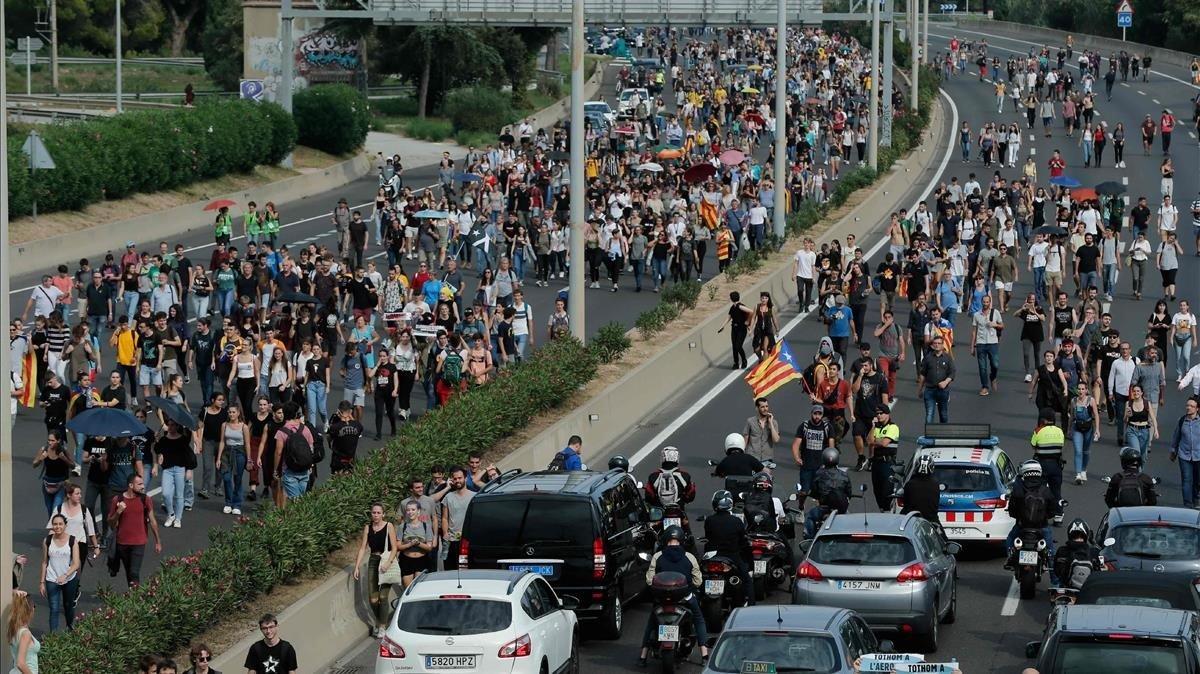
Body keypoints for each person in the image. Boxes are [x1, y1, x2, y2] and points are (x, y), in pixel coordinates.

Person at [638, 526, 709, 666]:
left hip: (661, 599)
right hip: (685, 598)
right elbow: (698, 581)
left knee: (652, 623)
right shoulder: (690, 557)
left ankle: (643, 656)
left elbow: (649, 580)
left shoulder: (658, 556)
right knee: (699, 619)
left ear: (665, 540)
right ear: (681, 540)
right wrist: (690, 589)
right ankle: (705, 655)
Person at [352, 503, 400, 638]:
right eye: (374, 512)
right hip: (373, 561)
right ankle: (379, 622)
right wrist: (357, 566)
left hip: (386, 561)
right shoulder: (368, 527)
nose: (376, 515)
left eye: (379, 513)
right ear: (371, 514)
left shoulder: (389, 526)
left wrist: (389, 563)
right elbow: (363, 548)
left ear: (383, 514)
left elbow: (395, 547)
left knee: (383, 596)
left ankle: (382, 626)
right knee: (373, 599)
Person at [107, 473, 162, 587]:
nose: (143, 486)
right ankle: (134, 597)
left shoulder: (146, 499)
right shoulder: (117, 500)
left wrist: (158, 541)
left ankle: (136, 598)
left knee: (134, 572)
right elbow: (111, 524)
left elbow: (153, 521)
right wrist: (118, 512)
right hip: (122, 543)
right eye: (140, 484)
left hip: (139, 543)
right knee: (129, 573)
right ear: (131, 485)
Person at [1006, 460, 1060, 575]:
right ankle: (1056, 582)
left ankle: (1010, 559)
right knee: (1051, 552)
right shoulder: (1045, 490)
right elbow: (1053, 510)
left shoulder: (1019, 489)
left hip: (1022, 527)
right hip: (1042, 527)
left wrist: (1019, 517)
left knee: (1010, 539)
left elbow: (1012, 509)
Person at [702, 490, 753, 607]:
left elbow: (709, 537)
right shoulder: (736, 521)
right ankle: (750, 606)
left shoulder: (709, 520)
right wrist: (750, 563)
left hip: (713, 556)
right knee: (747, 580)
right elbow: (743, 542)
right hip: (732, 557)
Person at [40, 513, 81, 632]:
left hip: (69, 579)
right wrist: (42, 582)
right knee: (54, 608)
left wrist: (65, 575)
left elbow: (76, 563)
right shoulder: (47, 541)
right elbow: (44, 562)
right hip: (52, 579)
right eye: (55, 524)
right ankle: (53, 639)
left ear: (65, 525)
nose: (57, 527)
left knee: (68, 606)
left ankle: (70, 628)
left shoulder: (73, 541)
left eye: (60, 524)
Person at [805, 448, 851, 539]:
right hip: (841, 508)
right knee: (849, 521)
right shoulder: (844, 475)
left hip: (824, 507)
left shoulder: (819, 473)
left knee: (809, 516)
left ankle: (810, 539)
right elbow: (849, 492)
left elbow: (814, 490)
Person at [791, 405, 835, 498]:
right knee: (804, 491)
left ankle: (819, 511)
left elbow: (831, 447)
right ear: (811, 413)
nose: (817, 416)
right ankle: (801, 509)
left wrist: (830, 462)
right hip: (806, 465)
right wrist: (797, 458)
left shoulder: (827, 427)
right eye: (815, 413)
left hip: (821, 467)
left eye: (820, 414)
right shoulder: (804, 426)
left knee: (820, 493)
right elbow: (796, 444)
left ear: (822, 415)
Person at [1030, 407, 1067, 516]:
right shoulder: (1059, 431)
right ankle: (1058, 514)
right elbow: (1061, 445)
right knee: (1056, 491)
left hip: (1042, 465)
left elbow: (1033, 445)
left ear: (1043, 419)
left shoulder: (1038, 430)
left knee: (1040, 490)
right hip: (1056, 465)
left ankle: (1041, 513)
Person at [438, 467, 474, 570]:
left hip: (466, 541)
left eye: (460, 478)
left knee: (463, 567)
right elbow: (445, 518)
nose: (457, 480)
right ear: (452, 480)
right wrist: (445, 534)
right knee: (450, 568)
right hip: (451, 541)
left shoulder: (474, 496)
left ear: (465, 478)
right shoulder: (448, 497)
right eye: (455, 478)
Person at [1051, 518, 1101, 590]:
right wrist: (1093, 542)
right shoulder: (1093, 551)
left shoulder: (1062, 550)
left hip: (1066, 587)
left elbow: (1057, 571)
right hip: (1088, 588)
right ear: (1086, 536)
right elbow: (1098, 572)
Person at [644, 446, 697, 511]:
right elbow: (690, 494)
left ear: (663, 458)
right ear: (677, 458)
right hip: (679, 510)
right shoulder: (685, 476)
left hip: (660, 511)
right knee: (685, 521)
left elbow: (649, 495)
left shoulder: (653, 476)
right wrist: (683, 499)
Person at [1170, 396, 1200, 507]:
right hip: (1184, 455)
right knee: (1187, 480)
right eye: (1187, 405)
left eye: (1192, 406)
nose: (1189, 408)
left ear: (1197, 409)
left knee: (1197, 481)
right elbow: (1176, 436)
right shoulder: (1182, 420)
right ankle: (1188, 504)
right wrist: (1173, 451)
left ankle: (1196, 498)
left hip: (1198, 455)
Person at [901, 454, 941, 525]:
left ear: (916, 466)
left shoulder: (909, 484)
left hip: (911, 519)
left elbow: (906, 503)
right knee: (941, 536)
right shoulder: (935, 485)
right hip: (931, 520)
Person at [717, 291, 752, 369]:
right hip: (734, 328)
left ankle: (744, 360)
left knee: (738, 346)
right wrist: (722, 326)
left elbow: (751, 312)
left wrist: (747, 322)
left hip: (741, 329)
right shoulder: (733, 307)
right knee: (734, 347)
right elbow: (729, 317)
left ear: (732, 298)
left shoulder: (740, 306)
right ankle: (736, 363)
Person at [6, 593, 39, 674]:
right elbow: (20, 663)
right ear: (30, 609)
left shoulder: (13, 628)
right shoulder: (25, 634)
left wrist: (19, 597)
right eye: (34, 606)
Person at [743, 397, 781, 462]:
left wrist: (771, 423)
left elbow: (776, 440)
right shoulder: (750, 421)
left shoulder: (774, 422)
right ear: (757, 408)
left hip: (767, 458)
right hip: (752, 457)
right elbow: (745, 439)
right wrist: (742, 454)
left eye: (766, 406)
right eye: (762, 407)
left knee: (766, 473)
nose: (765, 409)